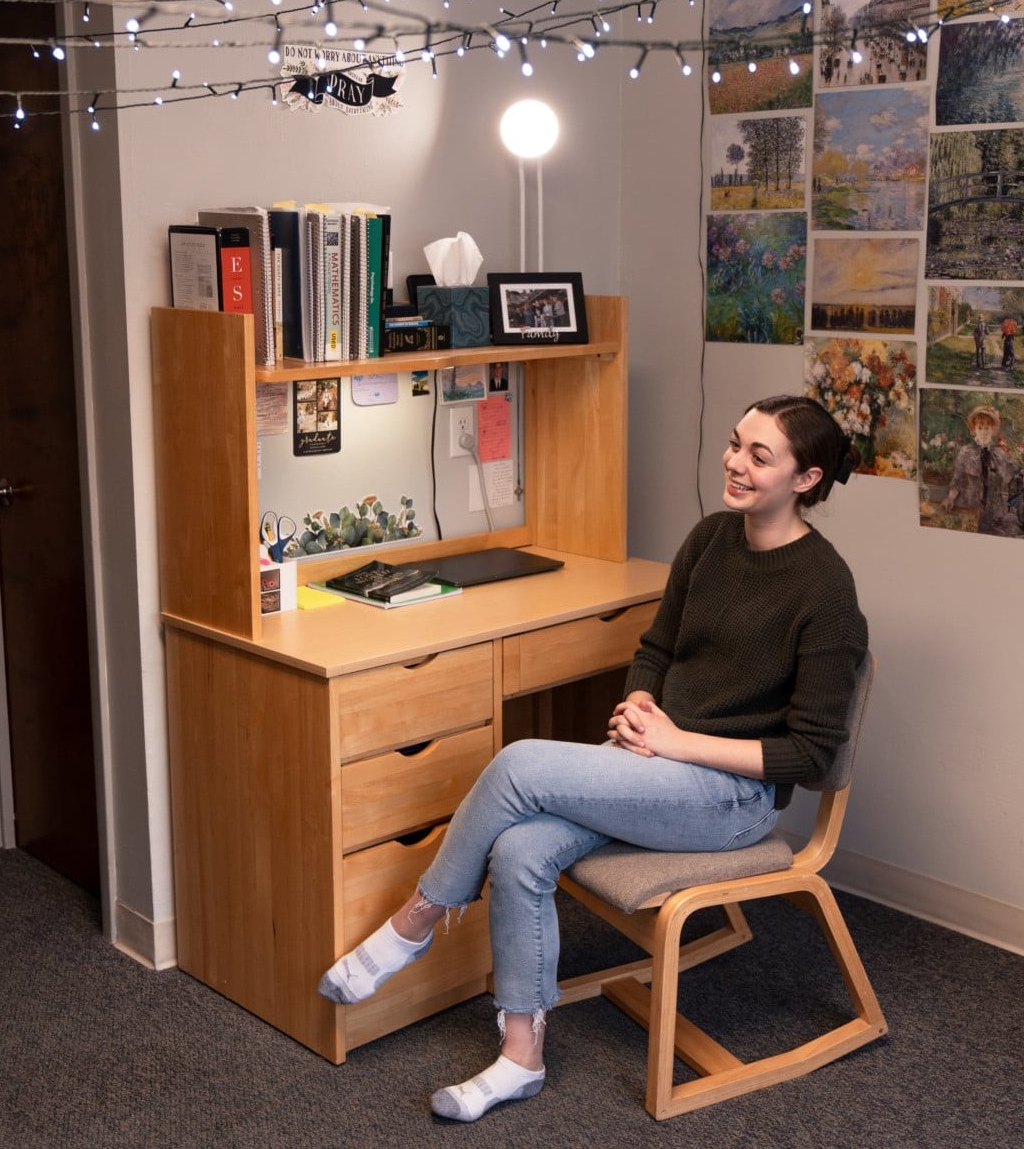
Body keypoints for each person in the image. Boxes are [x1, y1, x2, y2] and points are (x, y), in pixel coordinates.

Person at [318, 395, 868, 1121]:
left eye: (759, 456)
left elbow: (809, 752)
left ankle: (416, 920)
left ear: (806, 478)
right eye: (735, 444)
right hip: (653, 769)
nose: (734, 462)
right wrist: (641, 703)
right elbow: (657, 649)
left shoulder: (825, 591)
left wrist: (674, 741)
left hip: (728, 801)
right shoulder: (710, 539)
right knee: (517, 848)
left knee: (517, 763)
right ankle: (521, 1056)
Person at [941, 404, 1024, 538]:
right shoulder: (965, 453)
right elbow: (957, 480)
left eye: (987, 428)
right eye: (980, 428)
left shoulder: (999, 454)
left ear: (993, 430)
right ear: (974, 429)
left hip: (995, 513)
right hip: (971, 510)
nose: (984, 432)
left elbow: (1016, 469)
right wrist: (950, 498)